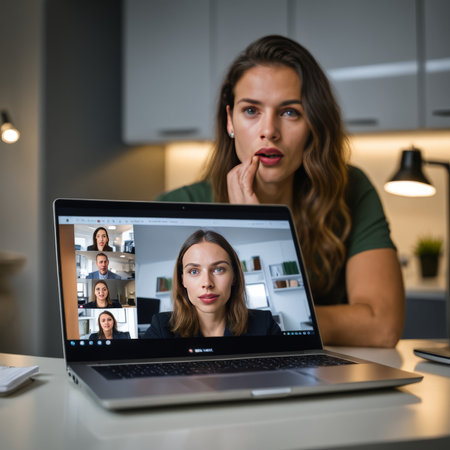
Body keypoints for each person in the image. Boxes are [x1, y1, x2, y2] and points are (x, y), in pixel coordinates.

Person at [156, 35, 405, 348]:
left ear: (313, 123)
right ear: (230, 119)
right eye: (251, 111)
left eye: (290, 112)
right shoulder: (177, 205)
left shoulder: (352, 188)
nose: (269, 130)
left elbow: (381, 327)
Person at [145, 229, 282, 338]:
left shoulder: (264, 323)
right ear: (183, 280)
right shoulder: (161, 327)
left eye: (218, 269)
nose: (207, 283)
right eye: (194, 271)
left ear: (234, 276)